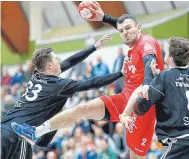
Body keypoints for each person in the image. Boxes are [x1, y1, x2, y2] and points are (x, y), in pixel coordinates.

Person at [12, 2, 164, 159]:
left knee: (135, 156)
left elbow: (149, 61)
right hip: (123, 98)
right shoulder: (131, 39)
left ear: (139, 28)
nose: (125, 33)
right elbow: (123, 25)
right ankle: (35, 132)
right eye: (121, 31)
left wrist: (146, 84)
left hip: (141, 107)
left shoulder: (146, 43)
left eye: (129, 28)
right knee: (82, 108)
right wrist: (104, 17)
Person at [1, 35, 125, 159]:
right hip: (18, 134)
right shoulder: (58, 85)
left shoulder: (37, 74)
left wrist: (93, 48)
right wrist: (120, 73)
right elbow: (91, 83)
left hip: (5, 126)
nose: (59, 60)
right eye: (56, 59)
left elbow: (69, 62)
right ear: (50, 65)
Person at [121, 37, 189, 159]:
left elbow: (140, 108)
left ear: (170, 58)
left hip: (180, 144)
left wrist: (151, 85)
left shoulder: (163, 78)